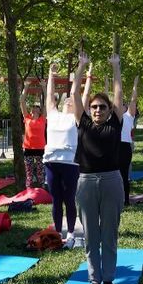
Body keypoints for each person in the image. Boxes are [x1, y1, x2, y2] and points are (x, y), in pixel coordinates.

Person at [72, 48, 124, 284]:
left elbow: (119, 94)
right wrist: (81, 68)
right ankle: (95, 280)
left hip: (112, 180)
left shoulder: (115, 122)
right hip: (86, 181)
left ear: (109, 109)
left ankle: (110, 279)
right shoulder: (82, 122)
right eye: (94, 106)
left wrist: (116, 67)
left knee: (109, 234)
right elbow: (74, 93)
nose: (97, 110)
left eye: (102, 107)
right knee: (91, 234)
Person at [43, 63, 83, 249]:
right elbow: (50, 96)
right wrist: (51, 75)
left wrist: (82, 71)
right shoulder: (53, 114)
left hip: (70, 164)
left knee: (69, 199)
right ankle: (58, 233)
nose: (69, 102)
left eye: (72, 101)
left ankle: (72, 233)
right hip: (51, 162)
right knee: (56, 199)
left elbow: (76, 93)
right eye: (66, 100)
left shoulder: (75, 118)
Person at [20, 80, 47, 188]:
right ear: (31, 110)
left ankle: (43, 190)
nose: (35, 108)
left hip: (40, 148)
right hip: (28, 149)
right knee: (29, 173)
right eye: (33, 107)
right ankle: (29, 190)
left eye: (37, 107)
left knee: (41, 173)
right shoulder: (27, 118)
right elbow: (22, 101)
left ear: (40, 111)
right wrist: (26, 86)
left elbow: (46, 102)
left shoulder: (43, 119)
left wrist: (44, 87)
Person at [119, 76, 139, 206]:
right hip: (112, 147)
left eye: (123, 104)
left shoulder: (128, 116)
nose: (122, 105)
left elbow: (133, 100)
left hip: (125, 147)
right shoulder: (111, 117)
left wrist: (135, 85)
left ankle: (125, 200)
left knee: (124, 174)